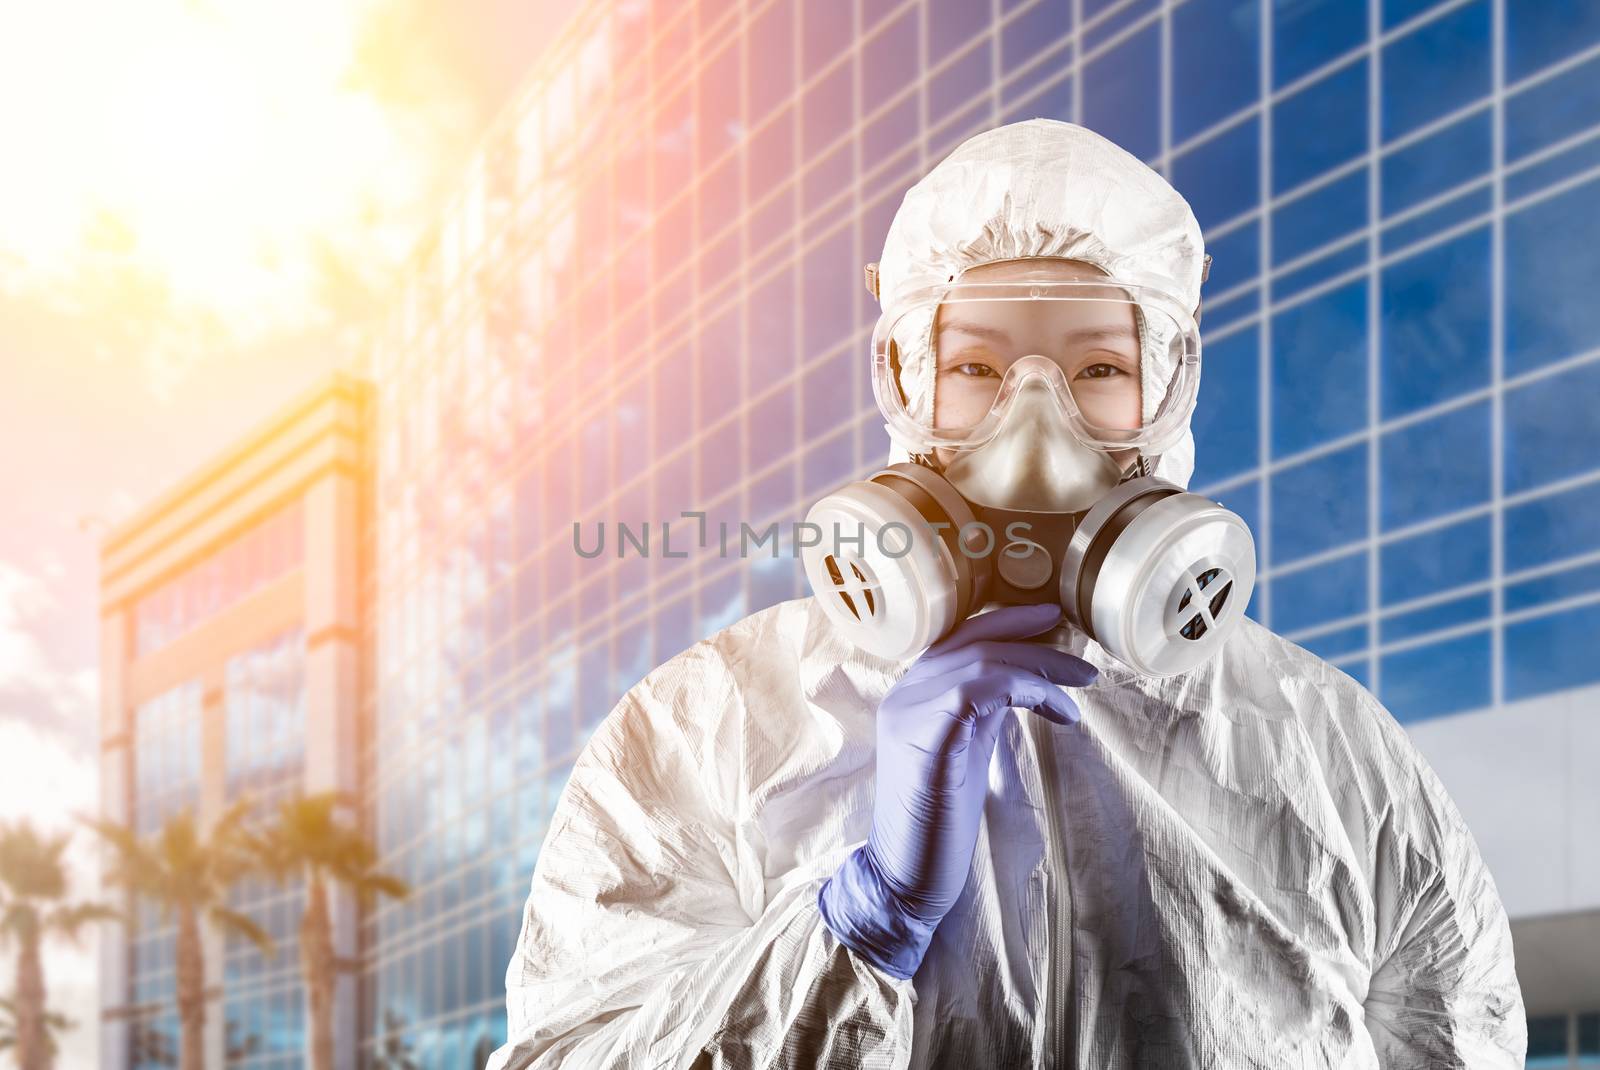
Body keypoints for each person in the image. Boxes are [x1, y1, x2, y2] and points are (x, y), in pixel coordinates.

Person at [486, 119, 1526, 1069]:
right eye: (976, 367)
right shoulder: (704, 729)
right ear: (902, 378)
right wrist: (861, 918)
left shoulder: (1337, 755)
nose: (1036, 431)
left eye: (1097, 370)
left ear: (1164, 391)